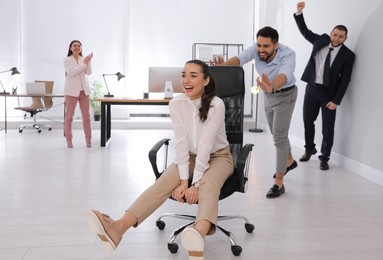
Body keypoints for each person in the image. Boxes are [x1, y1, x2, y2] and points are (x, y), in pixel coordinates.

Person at [87, 60, 234, 260]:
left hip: (218, 156)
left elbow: (207, 146)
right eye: (183, 75)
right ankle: (118, 228)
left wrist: (195, 184)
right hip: (190, 156)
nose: (186, 80)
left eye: (193, 75)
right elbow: (181, 143)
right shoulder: (176, 103)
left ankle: (197, 236)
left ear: (206, 80)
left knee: (208, 184)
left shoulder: (217, 104)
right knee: (164, 182)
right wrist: (183, 182)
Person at [213, 26, 298, 199]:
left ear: (276, 45)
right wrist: (224, 67)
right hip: (267, 93)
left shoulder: (288, 54)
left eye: (266, 46)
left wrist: (273, 86)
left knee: (279, 137)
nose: (261, 49)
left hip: (284, 94)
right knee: (277, 132)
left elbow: (285, 74)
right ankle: (289, 160)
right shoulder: (256, 48)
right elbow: (241, 58)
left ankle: (279, 182)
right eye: (259, 45)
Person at [293, 2, 355, 170]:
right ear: (331, 33)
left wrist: (336, 100)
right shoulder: (321, 40)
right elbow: (305, 31)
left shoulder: (348, 55)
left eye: (340, 36)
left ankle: (325, 157)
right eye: (335, 34)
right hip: (312, 89)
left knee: (328, 128)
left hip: (329, 94)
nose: (336, 38)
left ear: (345, 38)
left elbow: (345, 80)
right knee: (307, 121)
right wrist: (299, 13)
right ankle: (309, 149)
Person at [63, 40, 93, 148]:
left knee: (86, 116)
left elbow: (89, 73)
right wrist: (84, 63)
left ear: (81, 48)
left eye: (79, 46)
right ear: (70, 48)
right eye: (74, 46)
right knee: (69, 117)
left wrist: (88, 62)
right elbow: (72, 72)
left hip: (84, 91)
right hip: (71, 92)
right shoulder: (67, 60)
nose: (77, 47)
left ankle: (88, 139)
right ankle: (69, 140)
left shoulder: (83, 59)